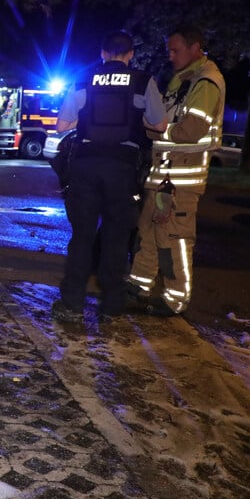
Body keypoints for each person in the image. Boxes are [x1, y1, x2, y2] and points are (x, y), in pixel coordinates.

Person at [51, 30, 167, 323]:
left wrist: (86, 120)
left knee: (82, 237)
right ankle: (112, 307)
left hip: (86, 166)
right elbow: (161, 124)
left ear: (102, 53)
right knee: (117, 236)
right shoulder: (143, 81)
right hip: (123, 169)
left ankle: (72, 305)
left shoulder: (83, 79)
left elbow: (61, 125)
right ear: (130, 55)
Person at [128, 25, 225, 317]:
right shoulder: (183, 80)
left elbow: (191, 130)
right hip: (163, 177)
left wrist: (154, 132)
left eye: (176, 50)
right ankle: (138, 288)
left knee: (174, 239)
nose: (170, 56)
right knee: (147, 232)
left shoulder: (206, 82)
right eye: (168, 50)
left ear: (195, 47)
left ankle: (174, 300)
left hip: (181, 182)